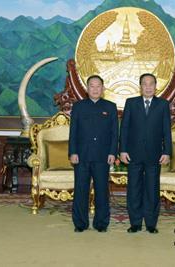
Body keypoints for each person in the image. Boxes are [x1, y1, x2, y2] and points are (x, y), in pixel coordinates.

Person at [119, 73, 172, 234]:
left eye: (151, 84)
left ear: (156, 86)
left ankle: (151, 223)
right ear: (140, 87)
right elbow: (125, 129)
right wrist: (122, 150)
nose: (148, 87)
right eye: (144, 84)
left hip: (154, 155)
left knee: (152, 190)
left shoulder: (162, 104)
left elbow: (166, 131)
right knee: (134, 189)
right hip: (133, 154)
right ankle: (135, 223)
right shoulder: (131, 103)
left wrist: (167, 152)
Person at [68, 75, 118, 233]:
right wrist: (72, 152)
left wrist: (112, 152)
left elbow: (114, 133)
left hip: (102, 156)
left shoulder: (110, 107)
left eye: (98, 86)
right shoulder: (78, 107)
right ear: (87, 88)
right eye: (92, 86)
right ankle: (80, 224)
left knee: (102, 191)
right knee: (81, 190)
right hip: (81, 156)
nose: (95, 89)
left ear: (103, 89)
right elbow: (73, 132)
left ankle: (101, 224)